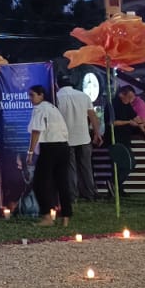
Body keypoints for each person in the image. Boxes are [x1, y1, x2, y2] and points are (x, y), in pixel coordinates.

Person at [26, 83, 72, 226]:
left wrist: (30, 152)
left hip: (50, 148)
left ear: (41, 95)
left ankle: (47, 216)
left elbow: (36, 131)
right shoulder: (53, 108)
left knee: (40, 183)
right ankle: (66, 216)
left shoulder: (40, 109)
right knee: (62, 182)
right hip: (63, 147)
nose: (30, 99)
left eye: (32, 95)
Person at [56, 73, 101, 201]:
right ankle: (90, 194)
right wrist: (97, 133)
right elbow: (93, 116)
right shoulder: (84, 96)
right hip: (84, 137)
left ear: (57, 85)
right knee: (86, 167)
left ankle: (72, 195)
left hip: (65, 138)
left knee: (70, 168)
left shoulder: (56, 98)